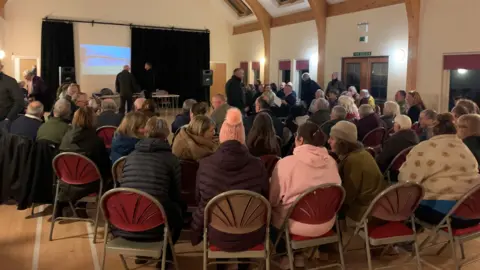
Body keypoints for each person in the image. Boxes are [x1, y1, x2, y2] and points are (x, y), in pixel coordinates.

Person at [191, 108, 269, 258]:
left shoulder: (205, 164)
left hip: (217, 234)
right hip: (253, 233)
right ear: (243, 136)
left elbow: (199, 199)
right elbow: (265, 199)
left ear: (221, 136)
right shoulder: (258, 165)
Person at [270, 121, 341, 267]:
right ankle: (300, 254)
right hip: (327, 222)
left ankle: (284, 255)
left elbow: (273, 200)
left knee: (270, 211)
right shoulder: (332, 162)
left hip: (295, 224)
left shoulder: (285, 164)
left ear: (300, 140)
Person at [118, 116, 183, 268]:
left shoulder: (130, 157)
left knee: (142, 199)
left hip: (124, 220)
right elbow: (175, 194)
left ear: (145, 132)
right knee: (178, 212)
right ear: (167, 134)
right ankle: (166, 256)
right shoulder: (171, 159)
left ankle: (142, 253)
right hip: (155, 223)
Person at [398, 113, 480, 229]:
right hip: (474, 213)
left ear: (432, 131)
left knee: (405, 199)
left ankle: (405, 238)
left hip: (447, 216)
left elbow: (406, 181)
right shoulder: (464, 148)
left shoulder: (424, 148)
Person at [56, 107, 110, 219]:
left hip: (65, 181)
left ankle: (65, 204)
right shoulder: (96, 141)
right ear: (93, 120)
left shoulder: (66, 136)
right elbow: (103, 165)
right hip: (89, 183)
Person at [328, 121, 387, 222]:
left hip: (369, 210)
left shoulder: (352, 161)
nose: (328, 141)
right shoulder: (363, 153)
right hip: (381, 204)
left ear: (342, 143)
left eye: (332, 139)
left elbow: (348, 195)